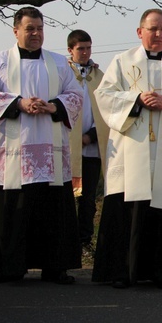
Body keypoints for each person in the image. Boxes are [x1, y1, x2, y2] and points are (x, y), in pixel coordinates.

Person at [0, 6, 83, 285]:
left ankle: (54, 267)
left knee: (50, 211)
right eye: (30, 29)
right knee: (10, 210)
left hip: (49, 152)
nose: (36, 34)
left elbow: (76, 96)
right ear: (16, 31)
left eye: (40, 28)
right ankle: (8, 266)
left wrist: (52, 105)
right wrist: (19, 103)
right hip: (10, 151)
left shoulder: (58, 63)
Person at [91, 9, 162, 289]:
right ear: (139, 31)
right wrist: (136, 99)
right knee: (128, 210)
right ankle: (122, 271)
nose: (158, 34)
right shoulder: (121, 62)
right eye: (153, 29)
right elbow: (103, 96)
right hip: (131, 151)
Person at [67, 30, 109, 254]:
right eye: (80, 48)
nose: (85, 52)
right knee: (67, 196)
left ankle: (84, 240)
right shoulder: (62, 73)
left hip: (91, 149)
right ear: (70, 50)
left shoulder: (100, 77)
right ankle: (66, 238)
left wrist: (90, 136)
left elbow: (104, 113)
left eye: (88, 48)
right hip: (66, 149)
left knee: (88, 199)